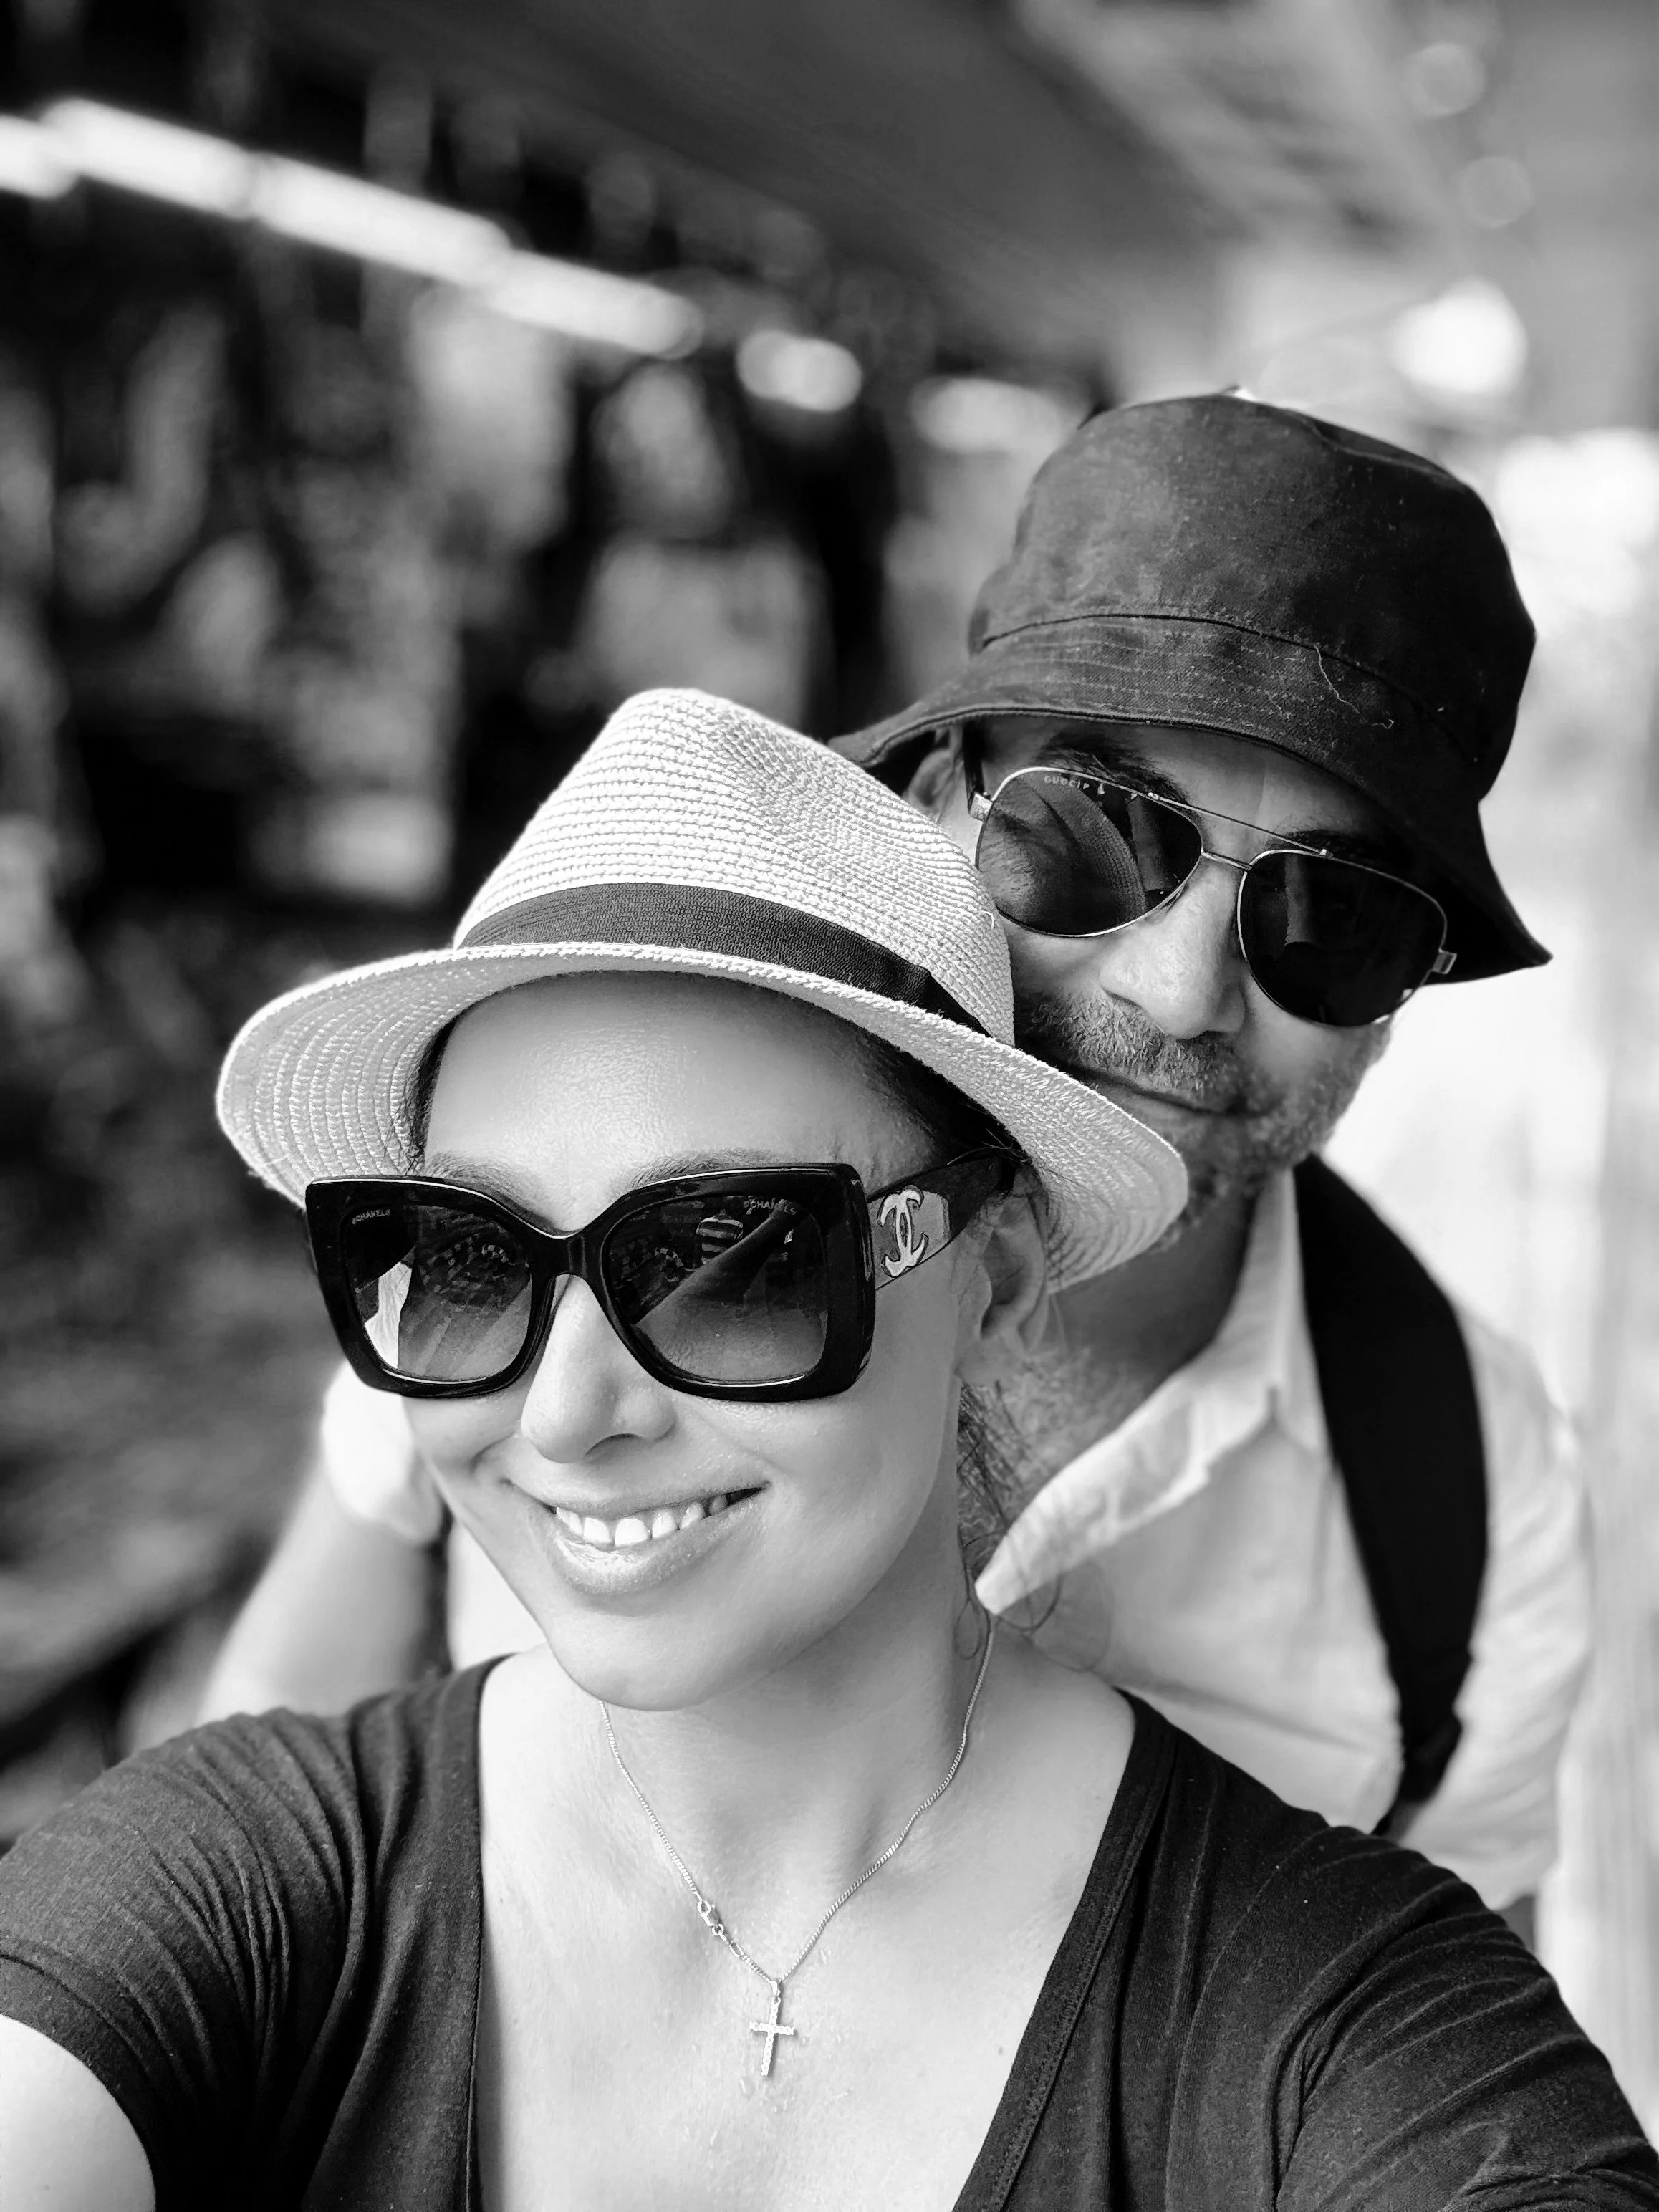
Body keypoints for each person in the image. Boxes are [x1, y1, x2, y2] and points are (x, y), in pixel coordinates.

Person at [2, 690, 1653, 2209]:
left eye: (737, 1260)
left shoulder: (1336, 2019)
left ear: (993, 1276)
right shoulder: (231, 1882)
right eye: (467, 1256)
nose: (569, 1411)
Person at [201, 395, 1586, 1936]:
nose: (1181, 994)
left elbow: (1461, 2039)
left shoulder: (1472, 1492)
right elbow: (266, 1748)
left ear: (1406, 999)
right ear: (937, 807)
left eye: (1336, 921)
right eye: (1098, 833)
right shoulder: (583, 1222)